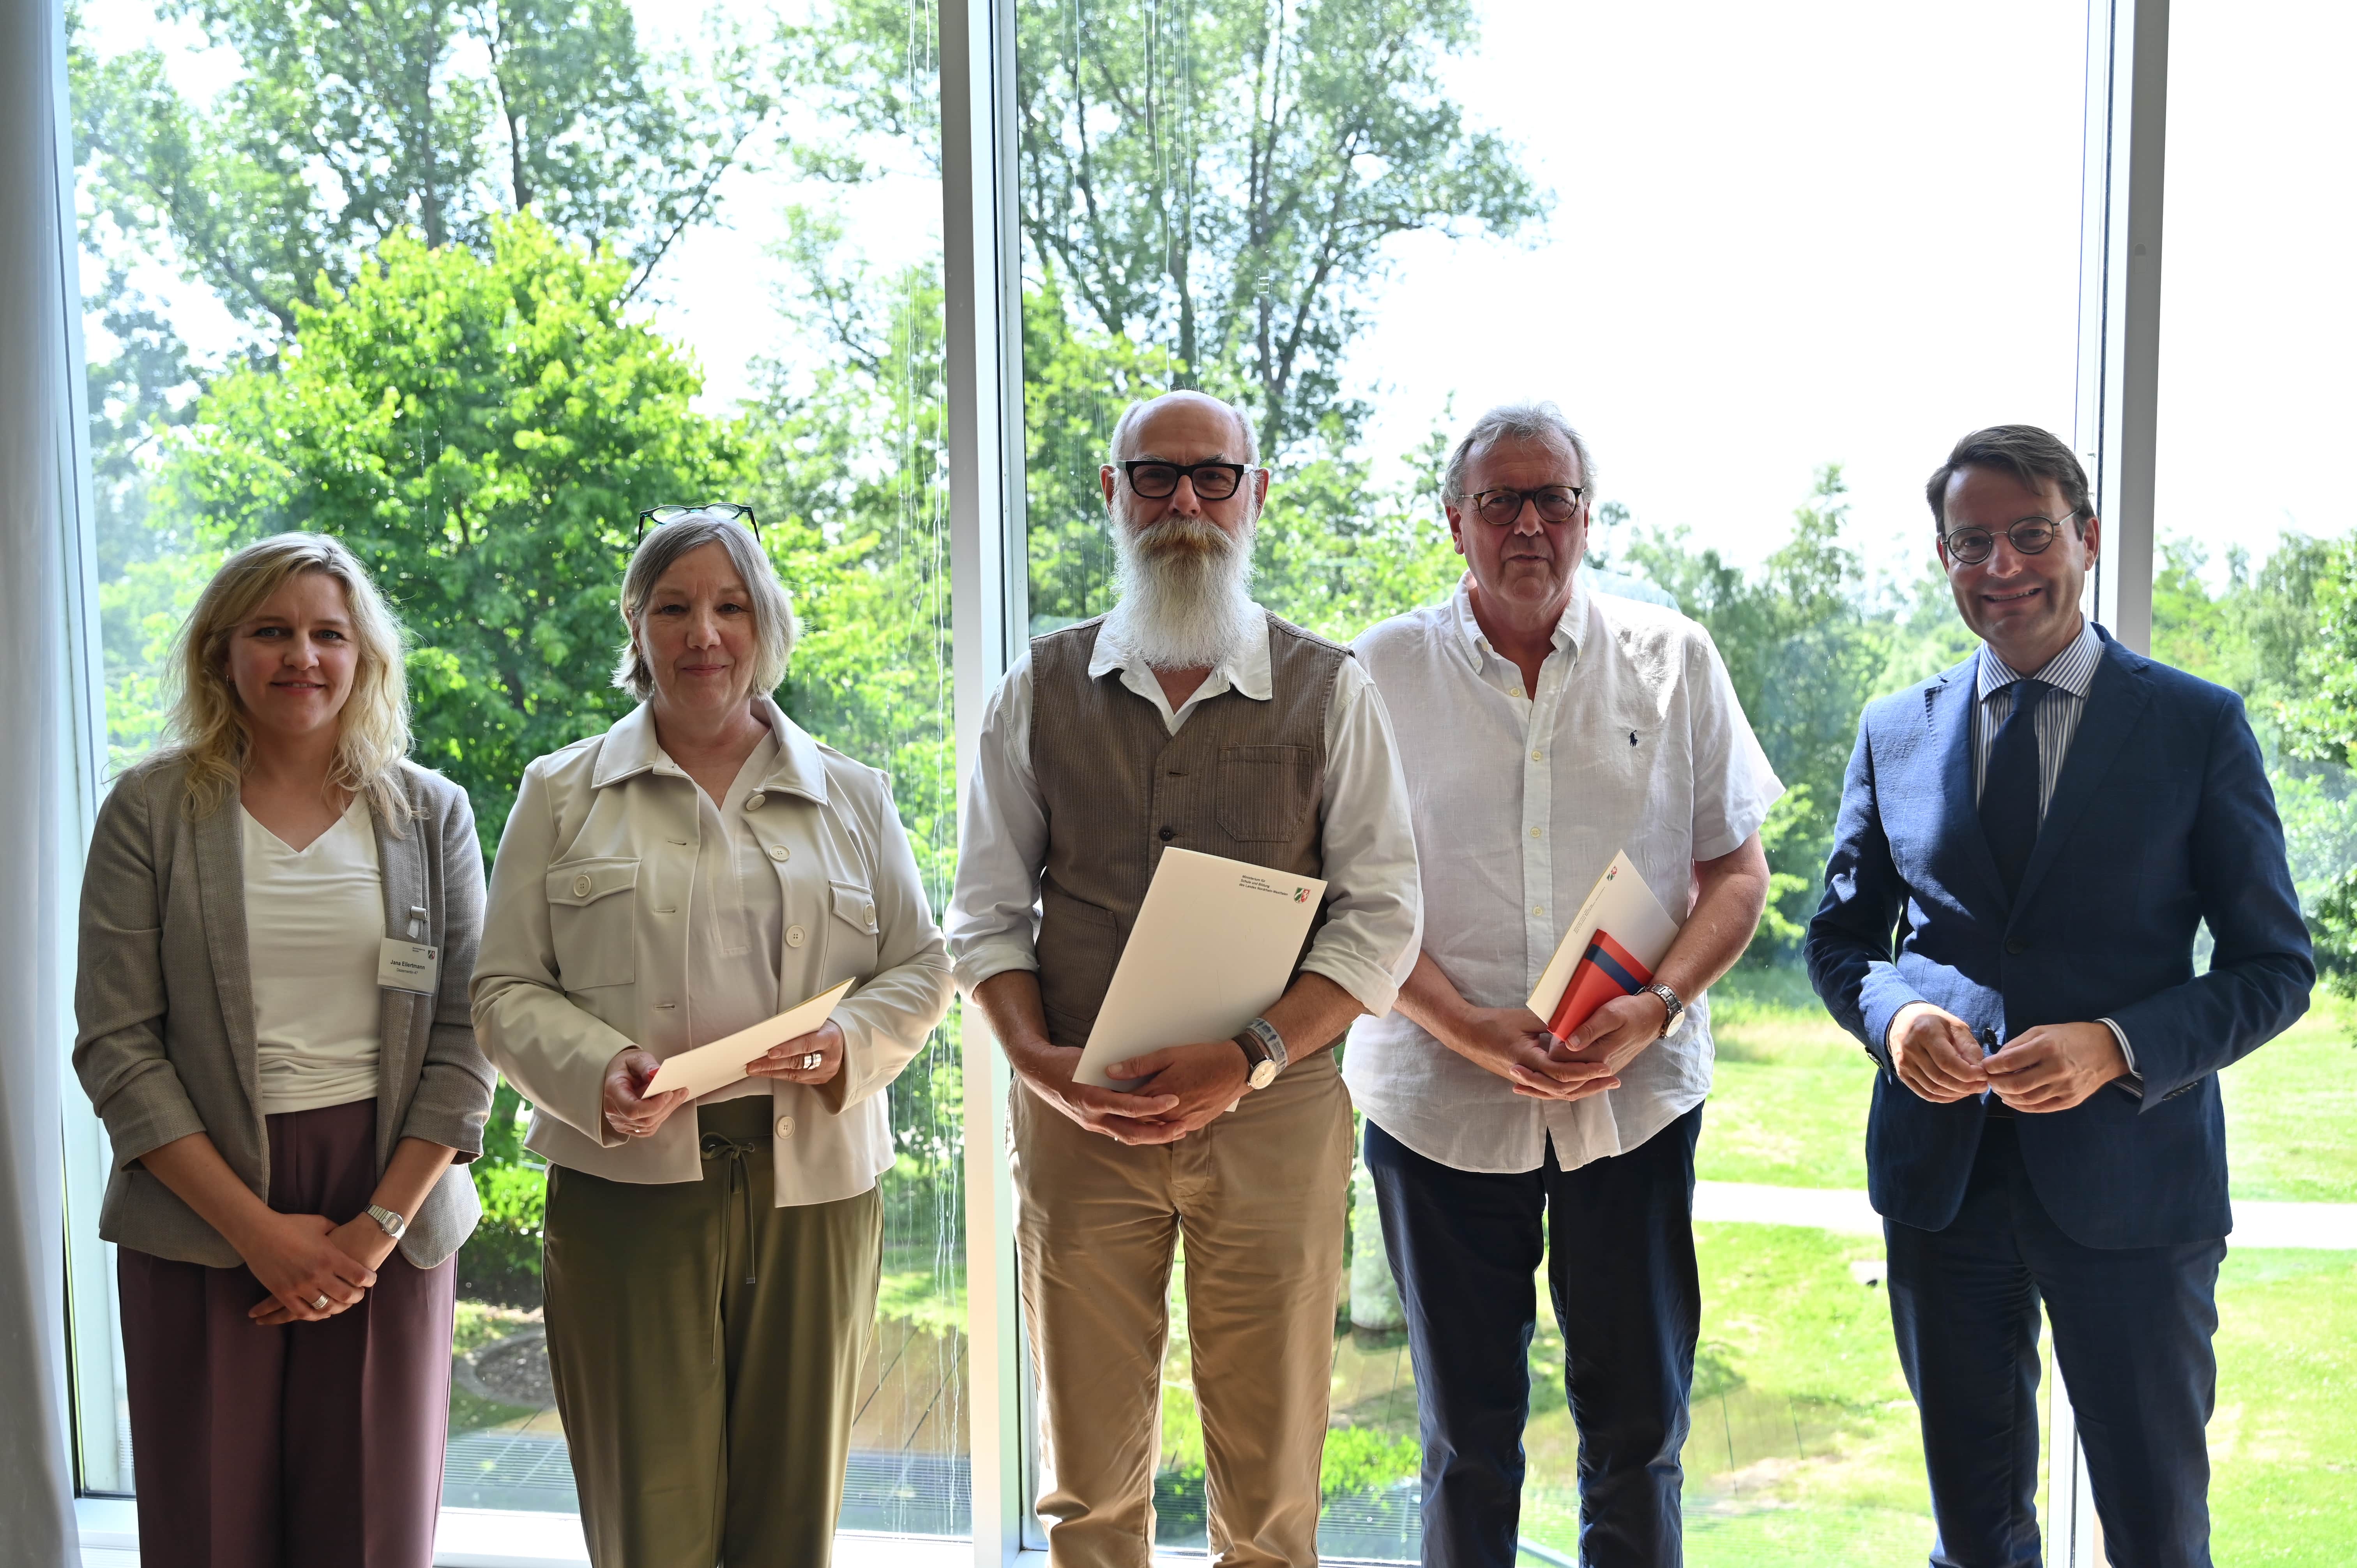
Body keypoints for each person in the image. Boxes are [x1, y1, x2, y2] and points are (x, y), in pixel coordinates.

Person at [1806, 425, 2314, 1566]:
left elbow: (2275, 969)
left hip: (2138, 1191)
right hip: (1942, 1188)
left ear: (2085, 537)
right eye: (1970, 543)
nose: (2002, 567)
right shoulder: (1895, 730)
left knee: (2156, 1528)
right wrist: (1894, 1019)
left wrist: (2118, 1043)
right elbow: (1840, 940)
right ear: (1942, 558)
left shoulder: (2195, 725)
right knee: (1975, 1533)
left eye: (2030, 535)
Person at [947, 390, 1422, 1565]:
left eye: (1215, 478)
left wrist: (1252, 1056)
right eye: (1155, 478)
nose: (1186, 505)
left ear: (1257, 497)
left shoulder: (1332, 689)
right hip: (1078, 1120)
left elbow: (1381, 922)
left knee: (1269, 1491)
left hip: (1276, 1124)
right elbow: (987, 916)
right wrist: (1040, 1069)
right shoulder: (1038, 690)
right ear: (1111, 494)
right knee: (1088, 1489)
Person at [472, 505, 954, 1567]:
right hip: (626, 1188)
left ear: (768, 625)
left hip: (816, 1190)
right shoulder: (559, 795)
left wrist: (844, 1044)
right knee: (653, 1507)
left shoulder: (856, 797)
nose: (705, 635)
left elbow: (922, 968)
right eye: (675, 608)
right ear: (636, 626)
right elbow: (502, 989)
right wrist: (596, 1069)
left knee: (793, 1505)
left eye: (731, 607)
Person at [1348, 403, 1779, 1568]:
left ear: (1588, 515)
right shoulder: (1378, 671)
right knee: (1463, 1439)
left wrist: (1661, 1005)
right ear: (1455, 523)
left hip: (1631, 1106)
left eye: (1555, 499)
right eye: (1501, 501)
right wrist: (1464, 1027)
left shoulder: (1674, 655)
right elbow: (1343, 896)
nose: (1529, 523)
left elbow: (1736, 872)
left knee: (1639, 1433)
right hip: (1435, 1106)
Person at [73, 533, 492, 1568]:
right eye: (271, 632)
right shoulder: (149, 811)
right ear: (222, 653)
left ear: (365, 659)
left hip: (388, 1202)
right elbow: (118, 1047)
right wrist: (257, 1230)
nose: (300, 656)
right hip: (202, 1202)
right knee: (208, 1527)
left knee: (374, 1532)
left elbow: (467, 1035)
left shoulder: (432, 814)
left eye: (326, 634)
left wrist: (376, 1229)